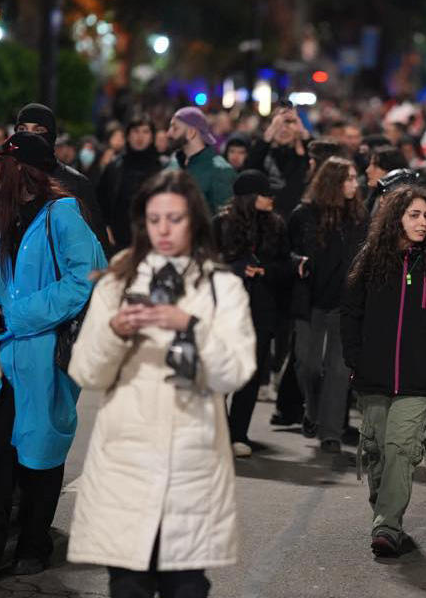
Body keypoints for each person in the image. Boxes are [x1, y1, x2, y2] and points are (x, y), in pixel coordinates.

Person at [67, 170, 255, 598]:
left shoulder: (220, 287)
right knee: (128, 585)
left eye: (175, 218)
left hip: (192, 463)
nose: (164, 230)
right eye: (155, 220)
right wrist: (114, 329)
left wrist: (190, 325)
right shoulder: (119, 279)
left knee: (186, 587)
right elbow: (87, 373)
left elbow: (236, 371)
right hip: (126, 461)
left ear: (195, 221)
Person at [0, 132, 107, 584]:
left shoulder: (63, 216)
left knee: (39, 460)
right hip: (3, 356)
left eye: (4, 163)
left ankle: (32, 545)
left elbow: (83, 282)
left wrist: (17, 315)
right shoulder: (6, 217)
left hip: (43, 357)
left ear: (26, 170)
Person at [341, 185, 426, 558]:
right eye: (414, 215)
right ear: (396, 218)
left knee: (400, 448)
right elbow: (350, 314)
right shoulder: (369, 260)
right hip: (372, 376)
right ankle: (384, 509)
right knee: (376, 450)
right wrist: (355, 360)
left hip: (417, 380)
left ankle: (388, 526)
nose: (423, 223)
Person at [288, 156, 368, 453]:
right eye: (347, 178)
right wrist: (296, 262)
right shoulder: (303, 215)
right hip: (309, 300)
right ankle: (312, 410)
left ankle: (330, 433)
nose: (354, 183)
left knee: (337, 369)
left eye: (354, 177)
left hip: (344, 303)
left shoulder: (359, 216)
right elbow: (286, 252)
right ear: (333, 182)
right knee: (307, 364)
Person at [213, 170, 293, 457]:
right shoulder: (221, 224)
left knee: (250, 371)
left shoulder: (277, 225)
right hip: (226, 307)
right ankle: (218, 430)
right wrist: (236, 268)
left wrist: (266, 270)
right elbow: (206, 263)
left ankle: (238, 433)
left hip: (262, 307)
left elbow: (285, 266)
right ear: (249, 197)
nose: (271, 198)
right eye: (265, 193)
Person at [13, 102, 109, 247]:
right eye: (22, 129)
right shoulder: (7, 180)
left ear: (51, 136)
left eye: (38, 130)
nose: (29, 135)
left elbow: (97, 244)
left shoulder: (76, 183)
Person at [98, 117, 162, 251]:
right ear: (128, 135)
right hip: (117, 240)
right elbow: (100, 202)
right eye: (136, 131)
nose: (140, 136)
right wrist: (105, 228)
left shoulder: (161, 169)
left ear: (152, 137)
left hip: (152, 240)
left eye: (145, 132)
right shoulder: (114, 167)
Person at [169, 106, 236, 212]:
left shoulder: (220, 170)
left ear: (191, 132)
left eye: (175, 128)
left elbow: (224, 221)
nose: (169, 133)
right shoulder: (174, 164)